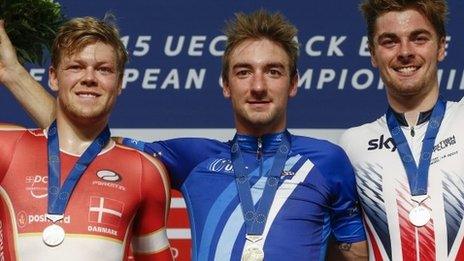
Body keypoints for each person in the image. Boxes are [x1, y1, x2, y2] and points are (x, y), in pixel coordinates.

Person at [0, 10, 367, 260]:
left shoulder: (328, 160)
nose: (258, 86)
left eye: (273, 71)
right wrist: (15, 74)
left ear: (294, 83)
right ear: (225, 85)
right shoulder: (193, 158)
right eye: (243, 72)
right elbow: (83, 139)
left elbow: (353, 254)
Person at [0, 17, 173, 260]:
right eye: (75, 67)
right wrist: (11, 72)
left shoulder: (145, 171)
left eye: (104, 69)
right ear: (53, 77)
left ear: (120, 82)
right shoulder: (8, 148)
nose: (89, 77)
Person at [339, 0, 464, 260]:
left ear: (441, 47)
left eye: (419, 38)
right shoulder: (352, 145)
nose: (405, 51)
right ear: (373, 54)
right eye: (389, 41)